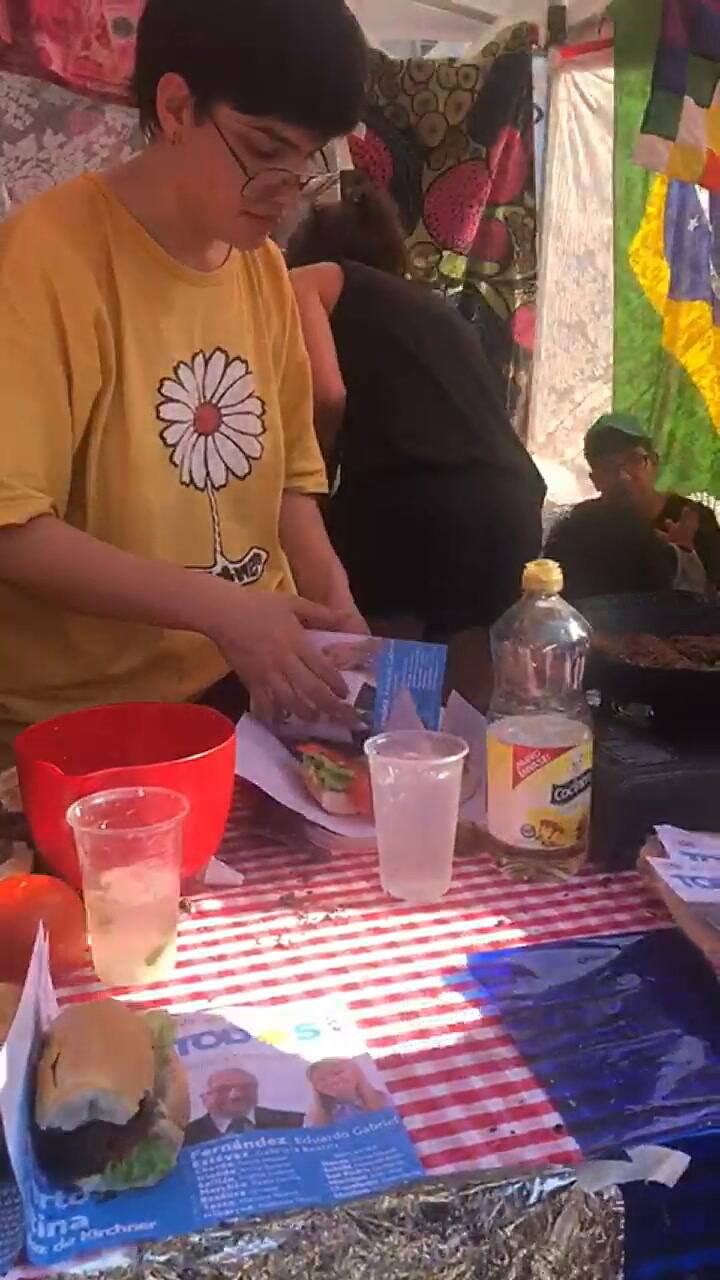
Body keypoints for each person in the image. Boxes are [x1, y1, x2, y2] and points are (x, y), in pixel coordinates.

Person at [0, 0, 369, 764]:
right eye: (267, 148)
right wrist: (222, 609)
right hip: (77, 727)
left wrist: (334, 604)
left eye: (308, 161)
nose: (288, 188)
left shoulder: (264, 271)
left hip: (235, 703)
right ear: (175, 107)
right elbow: (11, 528)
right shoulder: (48, 258)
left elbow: (290, 487)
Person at [285, 180, 546, 704]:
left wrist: (305, 477)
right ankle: (465, 779)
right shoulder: (430, 308)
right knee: (467, 699)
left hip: (413, 497)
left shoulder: (310, 279)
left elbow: (326, 393)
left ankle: (378, 773)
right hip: (508, 498)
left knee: (382, 686)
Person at [546, 413, 719, 599]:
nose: (623, 477)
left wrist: (686, 559)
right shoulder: (575, 527)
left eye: (634, 461)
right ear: (595, 480)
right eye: (608, 467)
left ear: (654, 463)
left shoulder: (693, 520)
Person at [183, 1068, 303, 1145]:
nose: (235, 1095)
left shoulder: (295, 1124)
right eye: (222, 1089)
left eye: (245, 1087)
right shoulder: (183, 1138)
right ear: (204, 1098)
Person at [305, 1058, 389, 1126]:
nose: (331, 1081)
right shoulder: (313, 1119)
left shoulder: (386, 1100)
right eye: (321, 1080)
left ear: (355, 1071)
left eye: (337, 1073)